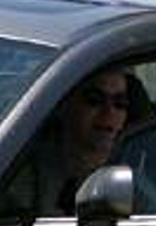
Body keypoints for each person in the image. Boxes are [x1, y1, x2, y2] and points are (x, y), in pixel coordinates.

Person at [7, 67, 138, 216]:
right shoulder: (24, 174)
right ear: (63, 105)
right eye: (94, 100)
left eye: (120, 103)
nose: (109, 112)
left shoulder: (135, 186)